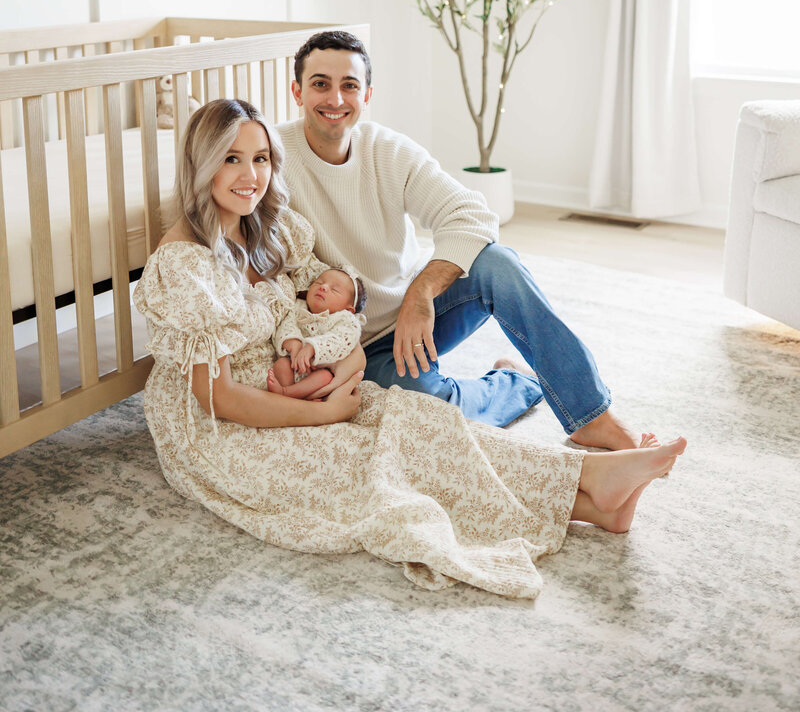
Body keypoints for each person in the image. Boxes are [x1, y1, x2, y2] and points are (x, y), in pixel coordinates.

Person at [135, 98, 686, 599]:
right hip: (221, 429)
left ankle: (590, 493)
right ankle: (588, 493)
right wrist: (323, 411)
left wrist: (344, 368)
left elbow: (332, 310)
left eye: (260, 160)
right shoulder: (185, 264)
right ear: (202, 164)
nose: (250, 175)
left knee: (420, 423)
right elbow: (217, 398)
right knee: (367, 465)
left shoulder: (270, 229)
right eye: (232, 159)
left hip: (302, 380)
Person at [278, 31, 648, 447]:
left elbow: (474, 214)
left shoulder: (387, 150)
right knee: (428, 411)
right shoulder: (270, 157)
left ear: (367, 95)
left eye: (349, 85)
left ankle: (589, 415)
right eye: (320, 84)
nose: (335, 99)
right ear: (297, 91)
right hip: (351, 348)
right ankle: (515, 383)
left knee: (499, 264)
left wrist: (420, 293)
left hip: (415, 317)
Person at [266, 266, 366, 400]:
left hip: (318, 372)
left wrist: (312, 347)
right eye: (318, 282)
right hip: (294, 365)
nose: (323, 287)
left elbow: (341, 339)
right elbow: (287, 326)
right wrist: (293, 344)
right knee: (281, 365)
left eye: (335, 290)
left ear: (349, 309)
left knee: (324, 377)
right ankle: (289, 396)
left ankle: (287, 393)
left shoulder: (346, 320)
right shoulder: (298, 307)